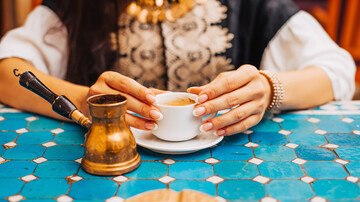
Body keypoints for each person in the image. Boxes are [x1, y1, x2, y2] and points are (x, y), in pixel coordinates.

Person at [0, 0, 356, 136]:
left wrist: (269, 88)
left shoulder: (253, 6)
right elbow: (6, 71)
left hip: (234, 176)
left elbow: (336, 69)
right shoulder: (79, 7)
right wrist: (92, 103)